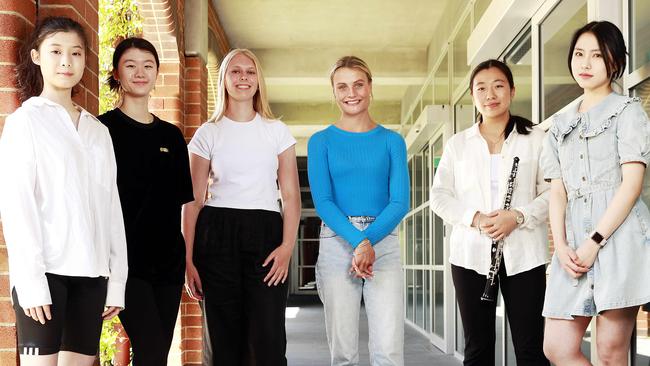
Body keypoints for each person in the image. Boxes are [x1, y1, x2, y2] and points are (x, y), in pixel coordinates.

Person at [0, 16, 128, 366]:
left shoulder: (98, 132)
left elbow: (110, 208)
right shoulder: (25, 122)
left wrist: (116, 281)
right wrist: (30, 282)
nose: (66, 61)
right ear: (37, 56)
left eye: (75, 53)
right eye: (55, 51)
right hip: (45, 275)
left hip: (91, 276)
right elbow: (17, 206)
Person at [541, 21, 650, 365]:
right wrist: (560, 245)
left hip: (620, 238)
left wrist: (595, 240)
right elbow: (557, 192)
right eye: (579, 54)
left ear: (614, 61)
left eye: (597, 56)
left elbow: (631, 186)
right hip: (571, 244)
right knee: (556, 347)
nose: (585, 64)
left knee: (610, 353)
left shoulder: (628, 112)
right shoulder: (559, 125)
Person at [182, 48, 300, 366]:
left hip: (266, 233)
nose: (243, 77)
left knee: (268, 340)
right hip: (216, 233)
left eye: (250, 71)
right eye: (235, 71)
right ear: (223, 79)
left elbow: (290, 196)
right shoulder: (209, 132)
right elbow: (193, 201)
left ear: (258, 80)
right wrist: (188, 259)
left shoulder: (277, 131)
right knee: (222, 340)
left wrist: (287, 247)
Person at [430, 59, 550, 365]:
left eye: (498, 86)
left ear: (511, 91)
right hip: (470, 256)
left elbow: (553, 194)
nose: (490, 94)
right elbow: (439, 197)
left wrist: (518, 216)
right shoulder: (458, 145)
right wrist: (476, 218)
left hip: (526, 256)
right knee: (478, 348)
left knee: (531, 348)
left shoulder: (536, 138)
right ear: (472, 95)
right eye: (481, 88)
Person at [308, 56, 410, 366]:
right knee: (343, 352)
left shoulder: (393, 141)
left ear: (370, 87)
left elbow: (399, 201)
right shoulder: (320, 142)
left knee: (389, 350)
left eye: (358, 84)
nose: (351, 93)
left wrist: (368, 241)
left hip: (385, 244)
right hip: (337, 242)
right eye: (342, 86)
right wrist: (359, 242)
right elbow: (323, 202)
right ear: (334, 92)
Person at [98, 37, 194, 365]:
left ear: (156, 73)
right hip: (124, 263)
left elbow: (181, 204)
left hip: (167, 263)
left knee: (155, 356)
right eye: (130, 65)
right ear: (116, 73)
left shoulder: (171, 136)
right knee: (152, 350)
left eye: (148, 65)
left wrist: (187, 261)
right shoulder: (101, 130)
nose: (140, 72)